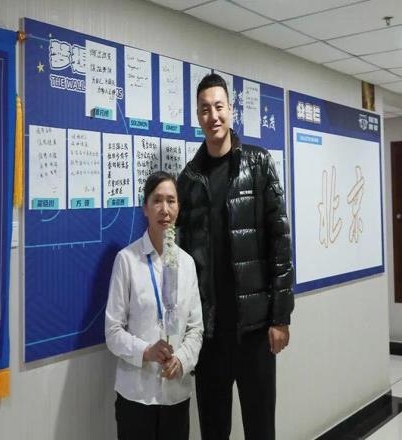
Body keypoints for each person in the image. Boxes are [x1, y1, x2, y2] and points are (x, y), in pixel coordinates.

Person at [177, 73, 294, 440]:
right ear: (198, 116)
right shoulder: (188, 179)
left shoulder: (258, 164)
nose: (213, 115)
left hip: (255, 331)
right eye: (205, 109)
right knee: (214, 431)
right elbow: (181, 258)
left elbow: (280, 241)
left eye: (219, 107)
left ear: (231, 109)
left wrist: (281, 317)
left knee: (261, 429)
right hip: (210, 334)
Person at [105, 171, 203, 440]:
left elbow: (196, 328)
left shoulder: (187, 264)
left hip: (176, 394)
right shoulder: (126, 260)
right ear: (145, 208)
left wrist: (181, 360)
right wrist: (146, 351)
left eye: (171, 201)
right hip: (136, 396)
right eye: (157, 200)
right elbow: (112, 332)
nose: (165, 209)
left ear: (179, 208)